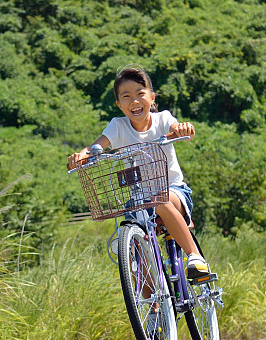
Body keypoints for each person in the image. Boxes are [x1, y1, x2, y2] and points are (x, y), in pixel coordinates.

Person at [67, 65, 209, 279]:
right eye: (126, 96)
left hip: (173, 192)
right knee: (132, 241)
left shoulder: (163, 119)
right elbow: (96, 147)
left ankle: (195, 257)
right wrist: (81, 156)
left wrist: (182, 130)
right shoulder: (118, 126)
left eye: (140, 94)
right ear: (119, 104)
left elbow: (176, 128)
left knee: (158, 199)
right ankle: (150, 309)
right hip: (140, 200)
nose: (134, 101)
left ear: (151, 98)